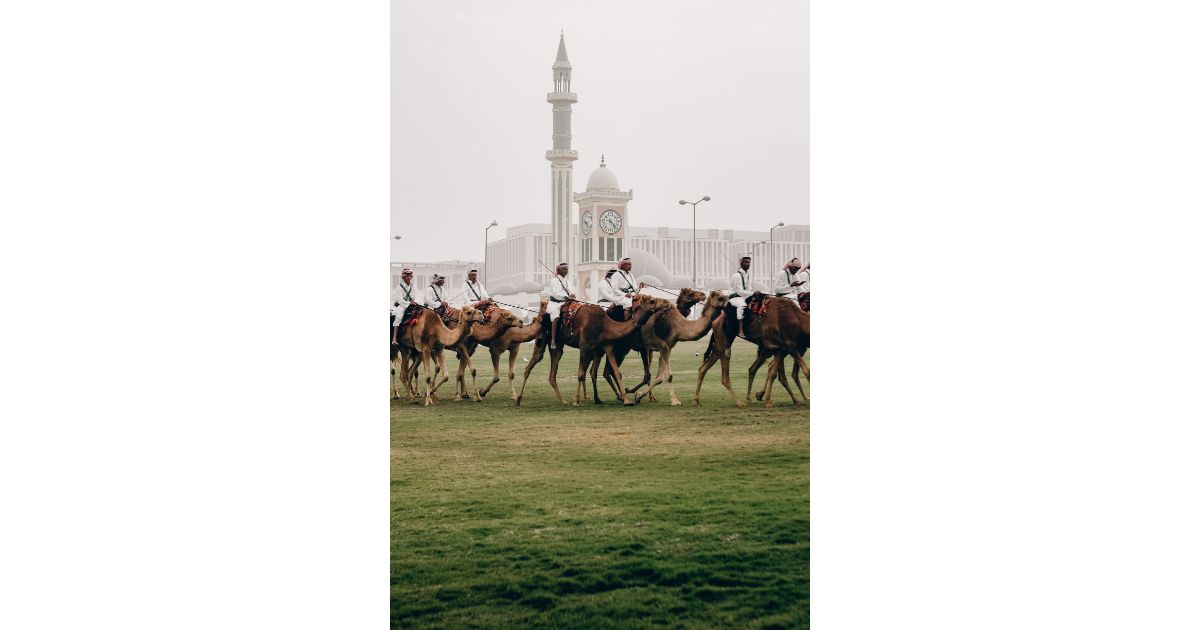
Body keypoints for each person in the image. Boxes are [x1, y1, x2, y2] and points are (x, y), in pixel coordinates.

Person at [545, 262, 577, 349]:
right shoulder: (554, 280)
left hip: (566, 302)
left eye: (567, 269)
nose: (566, 271)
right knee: (556, 318)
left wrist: (572, 295)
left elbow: (571, 291)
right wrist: (566, 296)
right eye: (564, 269)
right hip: (555, 304)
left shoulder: (567, 281)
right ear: (559, 270)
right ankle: (553, 340)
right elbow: (556, 293)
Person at [392, 268, 424, 344]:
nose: (409, 277)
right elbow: (399, 299)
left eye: (410, 275)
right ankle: (394, 338)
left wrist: (415, 302)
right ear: (403, 277)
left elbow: (418, 296)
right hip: (403, 305)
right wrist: (409, 303)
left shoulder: (414, 286)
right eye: (407, 276)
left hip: (414, 304)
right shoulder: (399, 287)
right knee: (399, 317)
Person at [729, 254, 754, 337]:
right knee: (742, 306)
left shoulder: (749, 275)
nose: (748, 264)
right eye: (746, 262)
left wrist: (752, 295)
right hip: (735, 297)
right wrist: (752, 293)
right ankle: (740, 330)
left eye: (749, 262)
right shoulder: (736, 275)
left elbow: (749, 289)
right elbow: (739, 291)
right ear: (741, 263)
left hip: (745, 296)